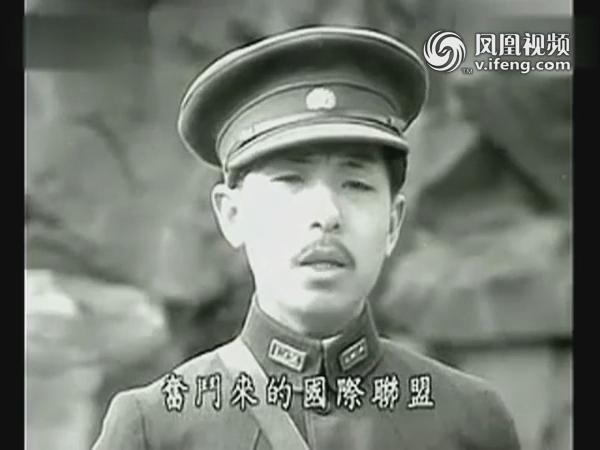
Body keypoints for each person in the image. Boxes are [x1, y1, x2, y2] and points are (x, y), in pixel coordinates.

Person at [92, 26, 521, 450]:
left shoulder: (469, 420)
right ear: (232, 215)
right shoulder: (156, 428)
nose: (326, 215)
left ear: (393, 223)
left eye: (356, 185)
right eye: (290, 181)